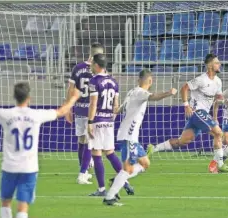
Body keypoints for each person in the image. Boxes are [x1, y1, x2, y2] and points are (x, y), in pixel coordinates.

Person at [0, 82, 76, 218]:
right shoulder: (36, 115)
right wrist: (73, 98)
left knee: (5, 202)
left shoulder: (4, 114)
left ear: (14, 96)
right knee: (23, 206)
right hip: (29, 167)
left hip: (9, 167)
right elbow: (61, 112)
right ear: (29, 97)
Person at [148, 54, 228, 173]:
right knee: (218, 133)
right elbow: (184, 88)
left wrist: (223, 101)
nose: (219, 64)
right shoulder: (201, 79)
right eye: (217, 62)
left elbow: (218, 98)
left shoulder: (218, 81)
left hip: (200, 116)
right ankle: (218, 164)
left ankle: (154, 148)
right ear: (209, 65)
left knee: (182, 141)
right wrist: (186, 105)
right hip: (197, 112)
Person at [103, 69, 177, 205]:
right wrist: (168, 93)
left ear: (139, 80)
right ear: (150, 81)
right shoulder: (140, 93)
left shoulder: (132, 92)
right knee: (128, 168)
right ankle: (110, 196)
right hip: (129, 136)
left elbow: (120, 109)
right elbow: (153, 96)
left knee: (145, 163)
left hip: (131, 136)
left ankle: (119, 179)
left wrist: (114, 112)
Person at [86, 53, 133, 196]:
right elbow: (116, 106)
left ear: (97, 65)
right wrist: (110, 118)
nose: (91, 66)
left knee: (96, 153)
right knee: (110, 153)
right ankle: (125, 181)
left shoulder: (94, 81)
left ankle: (101, 189)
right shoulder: (114, 82)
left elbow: (93, 104)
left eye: (93, 64)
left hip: (98, 120)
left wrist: (90, 122)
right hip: (109, 122)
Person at [66, 42, 104, 183]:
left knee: (82, 140)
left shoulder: (78, 68)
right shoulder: (100, 69)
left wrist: (68, 108)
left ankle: (83, 168)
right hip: (92, 111)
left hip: (79, 109)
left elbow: (70, 89)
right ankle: (83, 173)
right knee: (90, 141)